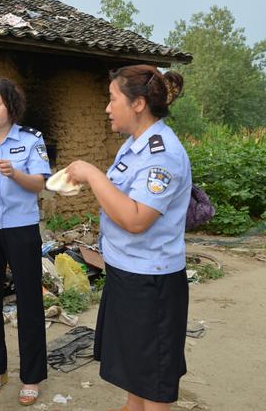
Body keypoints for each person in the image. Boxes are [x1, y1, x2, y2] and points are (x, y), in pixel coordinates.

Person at [65, 65, 190, 411]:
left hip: (152, 283)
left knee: (154, 381)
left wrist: (91, 173)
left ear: (137, 104)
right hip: (127, 273)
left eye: (112, 98)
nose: (107, 107)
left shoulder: (162, 153)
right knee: (137, 370)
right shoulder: (133, 146)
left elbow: (137, 219)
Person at [0, 77, 51, 406]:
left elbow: (40, 184)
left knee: (29, 301)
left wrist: (15, 173)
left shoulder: (31, 140)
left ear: (10, 106)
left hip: (21, 228)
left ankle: (31, 376)